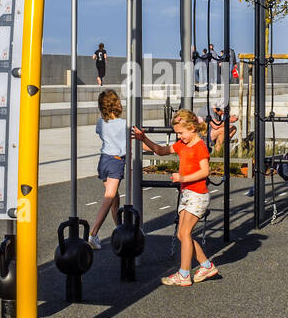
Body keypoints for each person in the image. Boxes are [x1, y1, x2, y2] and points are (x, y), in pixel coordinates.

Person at [133, 110, 217, 286]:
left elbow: (205, 171)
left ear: (192, 128)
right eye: (177, 133)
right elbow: (161, 150)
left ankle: (184, 274)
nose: (179, 136)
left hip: (198, 195)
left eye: (181, 133)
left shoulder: (199, 146)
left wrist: (183, 178)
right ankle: (206, 265)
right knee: (181, 234)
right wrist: (144, 139)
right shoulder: (182, 145)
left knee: (185, 233)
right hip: (189, 194)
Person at [88, 89, 127, 249]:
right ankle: (93, 233)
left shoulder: (100, 123)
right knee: (109, 197)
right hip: (116, 161)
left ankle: (119, 227)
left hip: (103, 160)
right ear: (117, 104)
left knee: (114, 198)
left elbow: (101, 134)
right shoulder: (124, 124)